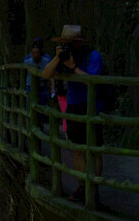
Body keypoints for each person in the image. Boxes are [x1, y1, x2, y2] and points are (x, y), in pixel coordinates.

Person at [42, 24, 104, 202]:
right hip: (74, 106)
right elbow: (46, 75)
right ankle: (81, 188)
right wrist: (57, 58)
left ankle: (94, 189)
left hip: (94, 106)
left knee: (95, 150)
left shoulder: (93, 56)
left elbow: (92, 81)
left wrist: (73, 66)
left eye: (70, 43)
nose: (68, 46)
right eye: (65, 43)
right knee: (77, 150)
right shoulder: (63, 58)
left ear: (79, 42)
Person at [24, 37, 52, 123]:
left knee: (42, 105)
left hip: (42, 85)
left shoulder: (46, 59)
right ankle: (30, 122)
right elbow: (25, 71)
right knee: (30, 104)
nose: (35, 55)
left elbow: (51, 72)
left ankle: (40, 123)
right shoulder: (27, 60)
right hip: (30, 85)